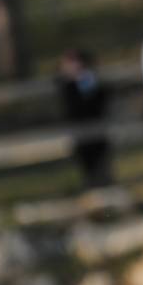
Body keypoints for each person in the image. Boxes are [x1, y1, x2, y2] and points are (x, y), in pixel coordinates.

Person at [55, 48, 112, 189]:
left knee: (101, 159)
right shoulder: (65, 83)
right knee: (85, 162)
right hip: (77, 128)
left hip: (96, 126)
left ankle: (105, 186)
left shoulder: (90, 79)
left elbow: (101, 100)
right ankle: (91, 188)